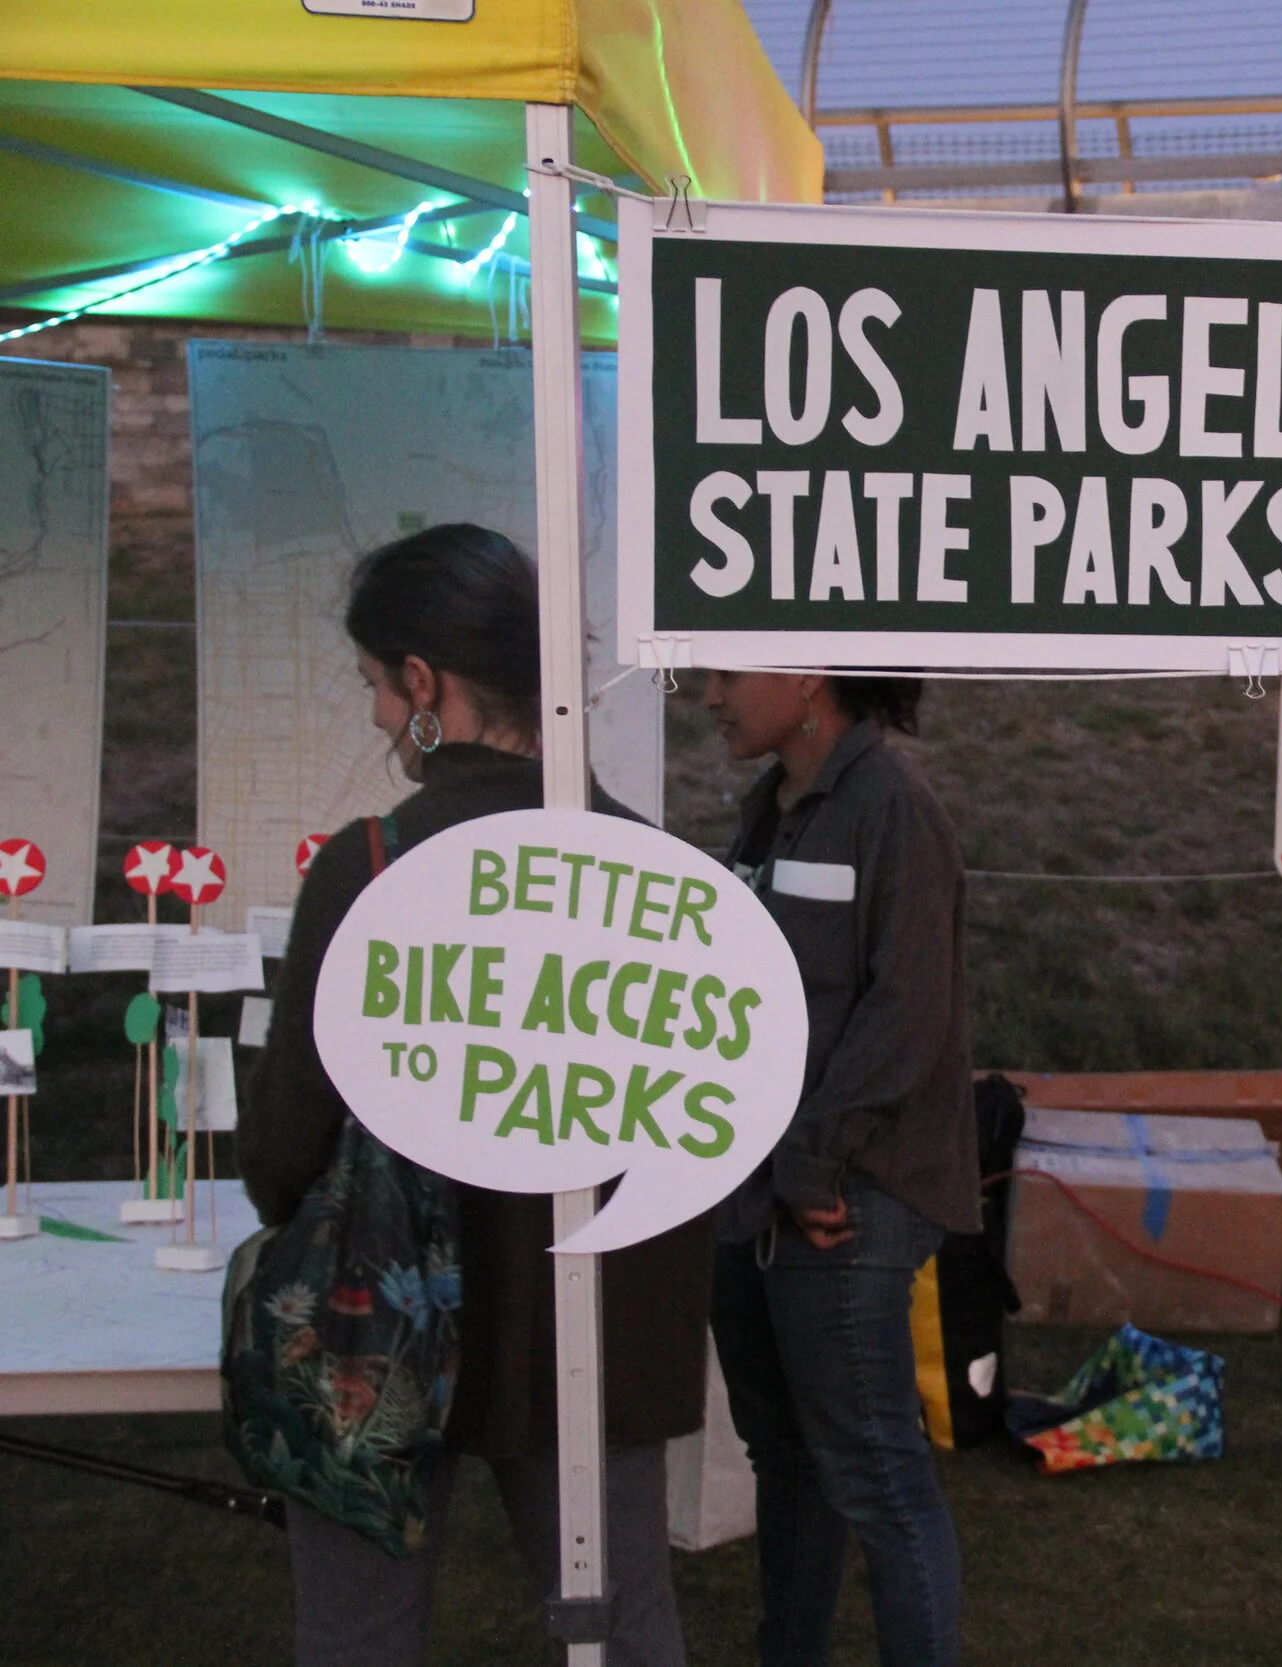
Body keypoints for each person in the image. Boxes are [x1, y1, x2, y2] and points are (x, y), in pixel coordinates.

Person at [241, 524, 712, 1667]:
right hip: (604, 1321)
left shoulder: (372, 865)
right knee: (623, 1627)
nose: (374, 717)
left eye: (372, 683)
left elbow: (284, 1149)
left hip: (385, 1320)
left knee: (359, 1637)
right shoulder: (657, 873)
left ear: (423, 682)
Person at [701, 669, 980, 1667]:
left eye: (726, 672)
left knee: (877, 1476)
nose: (708, 694)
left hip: (844, 1197)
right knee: (787, 1457)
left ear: (807, 672)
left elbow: (909, 1011)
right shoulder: (767, 808)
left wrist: (813, 1164)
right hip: (761, 1192)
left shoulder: (893, 808)